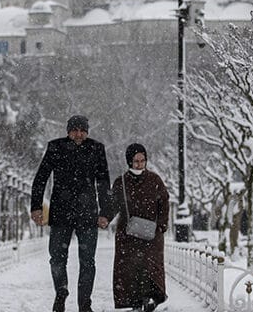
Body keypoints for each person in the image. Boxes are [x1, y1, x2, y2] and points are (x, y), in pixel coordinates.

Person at [31, 115, 113, 312]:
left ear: (87, 131)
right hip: (61, 213)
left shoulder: (96, 149)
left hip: (87, 214)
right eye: (75, 130)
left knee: (88, 261)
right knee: (57, 258)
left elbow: (103, 182)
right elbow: (41, 177)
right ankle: (61, 292)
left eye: (82, 130)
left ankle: (85, 304)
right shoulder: (55, 147)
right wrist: (36, 207)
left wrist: (105, 213)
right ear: (68, 131)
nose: (78, 134)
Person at [110, 143, 169, 312]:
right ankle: (134, 301)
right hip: (127, 233)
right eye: (136, 161)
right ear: (129, 161)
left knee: (151, 268)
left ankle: (152, 299)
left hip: (151, 233)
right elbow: (113, 205)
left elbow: (164, 202)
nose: (139, 164)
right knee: (129, 269)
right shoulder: (121, 182)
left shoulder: (155, 180)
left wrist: (161, 225)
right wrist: (104, 218)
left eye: (142, 160)